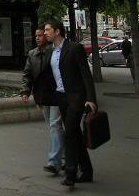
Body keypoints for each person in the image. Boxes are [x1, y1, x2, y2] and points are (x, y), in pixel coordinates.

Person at [44, 19, 97, 188]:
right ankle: (87, 171)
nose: (45, 33)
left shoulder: (74, 48)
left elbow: (86, 75)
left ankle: (70, 173)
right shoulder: (50, 51)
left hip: (76, 97)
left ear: (57, 32)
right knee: (75, 134)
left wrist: (91, 99)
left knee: (69, 133)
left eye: (47, 30)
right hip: (61, 98)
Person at [21, 28, 65, 175]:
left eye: (41, 35)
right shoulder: (32, 54)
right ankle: (66, 158)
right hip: (42, 96)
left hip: (56, 94)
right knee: (53, 127)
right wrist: (26, 91)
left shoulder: (54, 52)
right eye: (36, 36)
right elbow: (27, 74)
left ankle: (54, 161)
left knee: (54, 126)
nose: (38, 38)